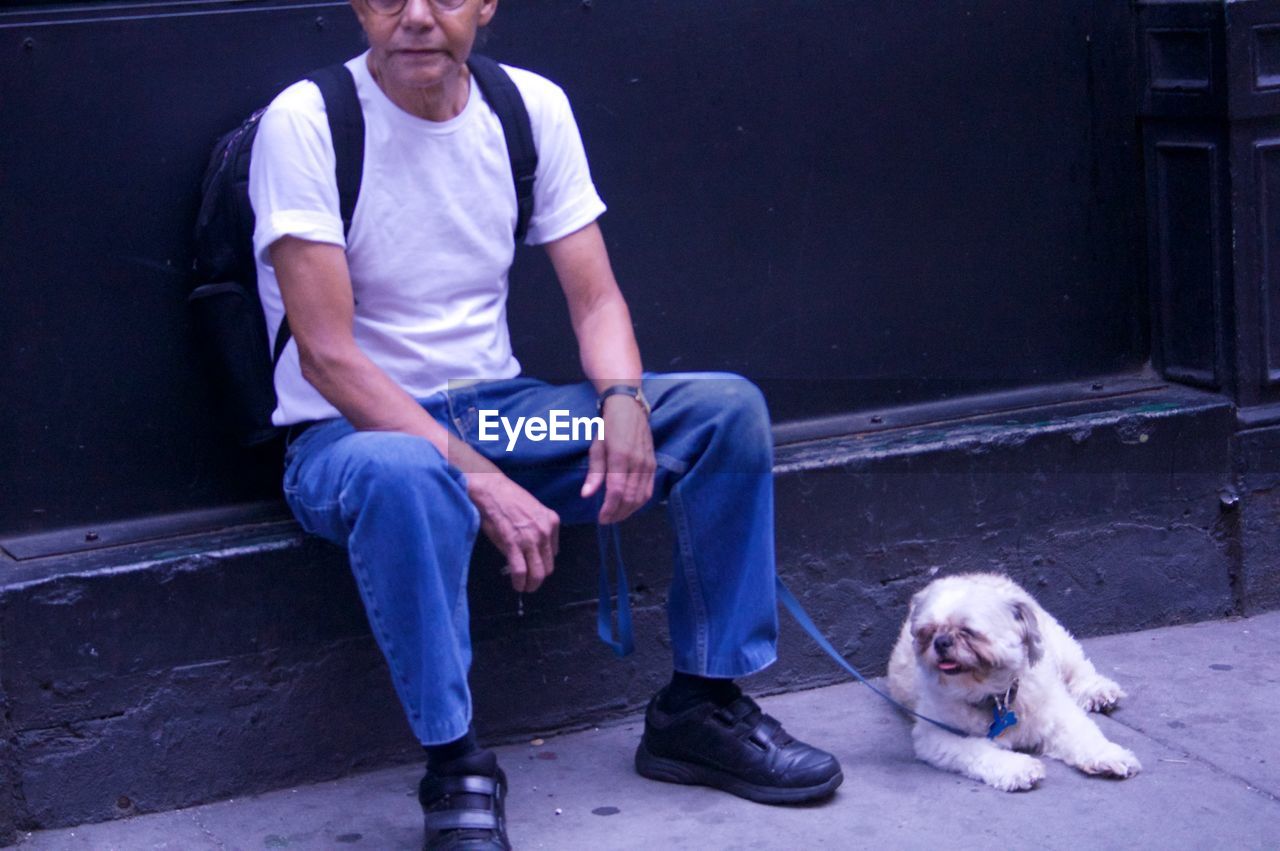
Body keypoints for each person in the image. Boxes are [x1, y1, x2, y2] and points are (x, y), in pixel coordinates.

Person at [248, 0, 843, 847]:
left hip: (503, 415)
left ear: (486, 3)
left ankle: (700, 709)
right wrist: (477, 476)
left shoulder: (529, 107)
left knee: (721, 411)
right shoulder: (307, 122)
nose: (416, 16)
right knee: (407, 471)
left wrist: (625, 402)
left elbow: (595, 297)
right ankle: (455, 764)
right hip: (351, 437)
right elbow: (329, 358)